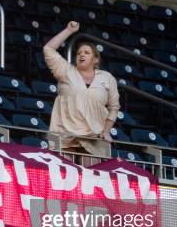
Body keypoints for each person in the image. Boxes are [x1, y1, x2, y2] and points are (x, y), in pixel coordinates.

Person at [43, 21, 120, 160]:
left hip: (93, 137)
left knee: (91, 176)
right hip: (65, 135)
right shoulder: (66, 71)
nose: (81, 55)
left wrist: (106, 131)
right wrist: (68, 30)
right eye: (78, 53)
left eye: (86, 52)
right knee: (66, 176)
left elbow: (114, 107)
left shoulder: (107, 78)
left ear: (96, 59)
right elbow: (48, 49)